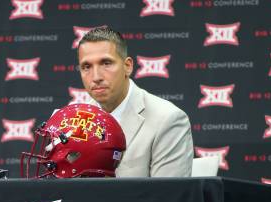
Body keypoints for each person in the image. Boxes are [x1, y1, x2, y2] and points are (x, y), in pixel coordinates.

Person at [77, 26, 193, 177]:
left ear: (128, 66)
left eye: (106, 63)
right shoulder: (75, 120)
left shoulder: (168, 120)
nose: (96, 76)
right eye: (87, 67)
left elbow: (169, 197)